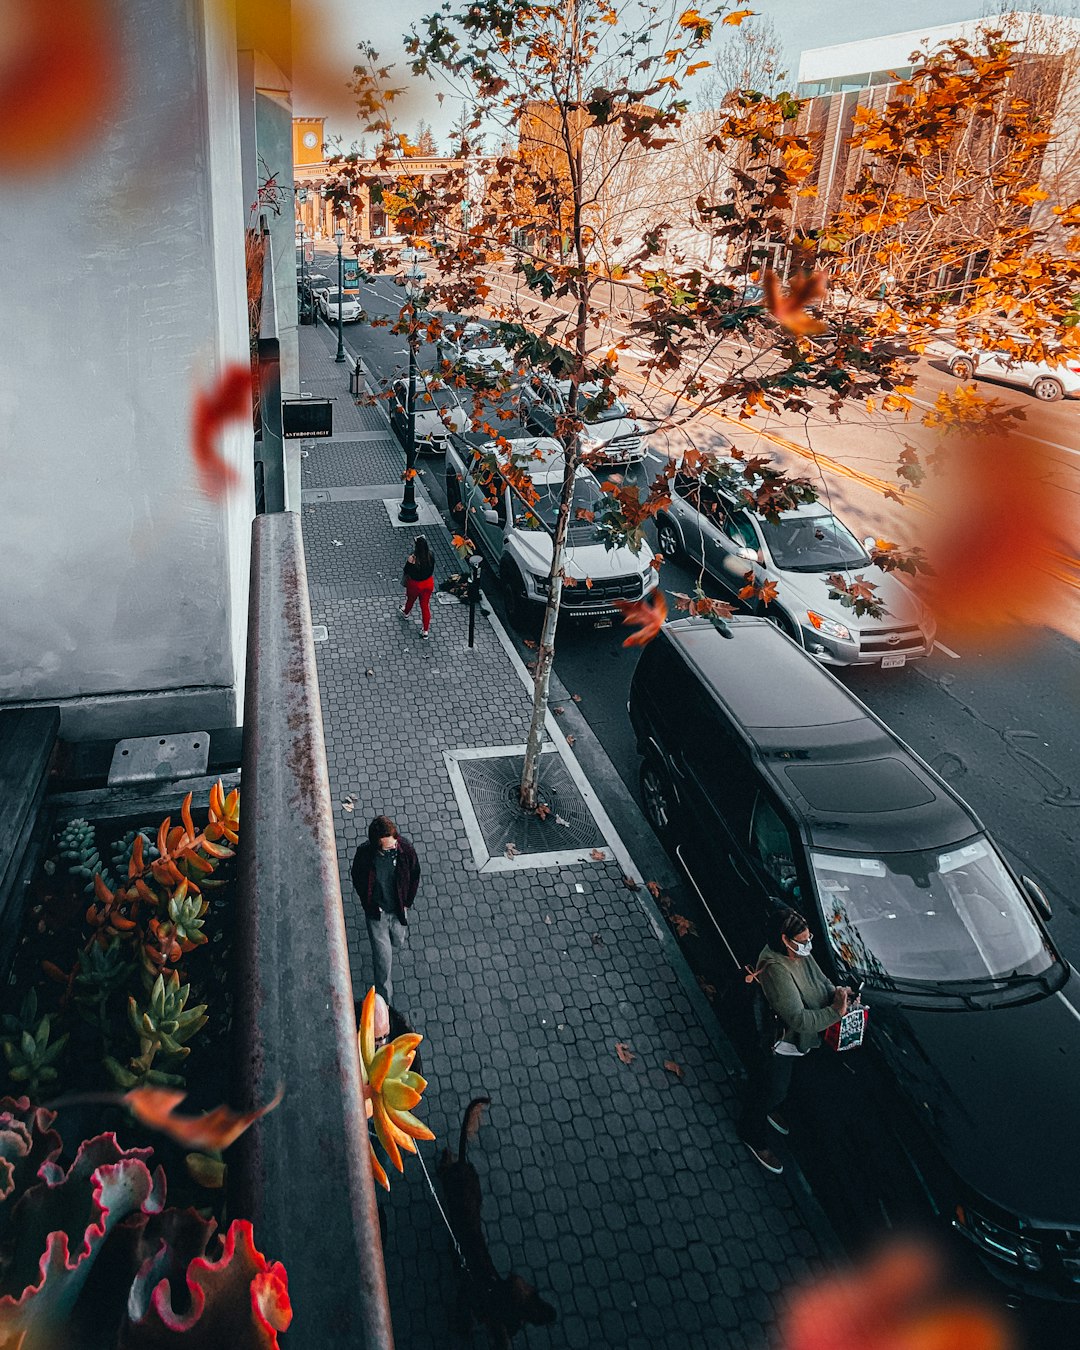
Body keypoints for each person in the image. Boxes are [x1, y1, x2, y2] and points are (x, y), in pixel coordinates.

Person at [738, 906, 851, 1175]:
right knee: (774, 1087)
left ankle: (770, 1105)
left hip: (796, 1040)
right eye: (802, 941)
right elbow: (797, 1019)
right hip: (780, 1043)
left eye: (808, 939)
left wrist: (837, 992)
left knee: (778, 1086)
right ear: (784, 939)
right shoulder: (776, 969)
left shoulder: (800, 953)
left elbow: (820, 979)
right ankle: (752, 1132)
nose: (807, 945)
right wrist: (835, 1012)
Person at [350, 815, 421, 1004]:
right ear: (376, 846)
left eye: (394, 843)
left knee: (398, 940)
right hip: (377, 916)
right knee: (383, 965)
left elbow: (415, 875)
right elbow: (357, 877)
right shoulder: (365, 855)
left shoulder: (405, 849)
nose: (393, 848)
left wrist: (407, 902)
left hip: (398, 910)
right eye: (388, 847)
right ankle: (384, 1005)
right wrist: (368, 903)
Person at [401, 535, 436, 639]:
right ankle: (425, 630)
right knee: (425, 606)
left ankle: (406, 613)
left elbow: (406, 570)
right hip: (428, 583)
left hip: (415, 584)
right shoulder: (431, 555)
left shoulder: (412, 559)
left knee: (411, 600)